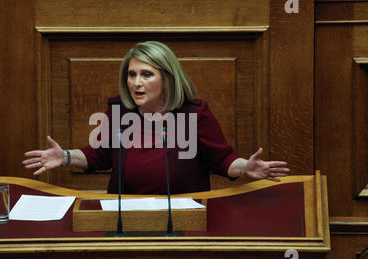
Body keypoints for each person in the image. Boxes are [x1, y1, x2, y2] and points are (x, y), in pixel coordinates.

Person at [23, 41, 290, 194]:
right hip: (124, 215)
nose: (136, 83)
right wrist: (65, 156)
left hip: (184, 217)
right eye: (131, 74)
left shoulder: (193, 114)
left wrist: (247, 168)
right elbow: (99, 155)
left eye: (146, 74)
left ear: (167, 78)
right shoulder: (120, 113)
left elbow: (221, 160)